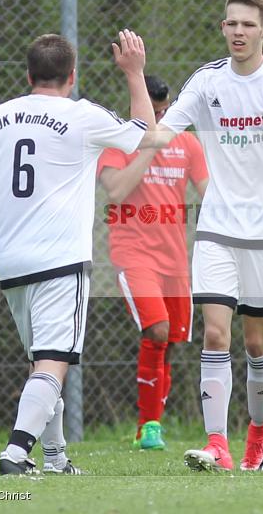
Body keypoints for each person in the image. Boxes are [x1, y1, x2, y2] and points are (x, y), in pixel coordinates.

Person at [0, 30, 158, 475]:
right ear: (72, 76)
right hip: (61, 261)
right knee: (53, 361)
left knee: (44, 362)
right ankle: (16, 452)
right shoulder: (81, 116)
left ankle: (57, 458)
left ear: (28, 75)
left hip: (12, 261)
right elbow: (144, 136)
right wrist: (134, 73)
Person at [142, 0, 263, 472]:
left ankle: (259, 431)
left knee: (255, 343)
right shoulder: (206, 81)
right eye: (231, 22)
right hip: (218, 225)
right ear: (223, 26)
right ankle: (217, 446)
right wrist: (131, 106)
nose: (239, 32)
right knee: (213, 334)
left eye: (249, 24)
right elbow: (163, 130)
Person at [97, 75, 209, 450]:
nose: (159, 119)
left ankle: (151, 425)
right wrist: (147, 147)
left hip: (175, 260)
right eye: (152, 112)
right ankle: (149, 426)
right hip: (134, 255)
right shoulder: (119, 141)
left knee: (170, 343)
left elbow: (209, 194)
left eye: (164, 112)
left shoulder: (188, 143)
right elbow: (114, 190)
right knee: (157, 331)